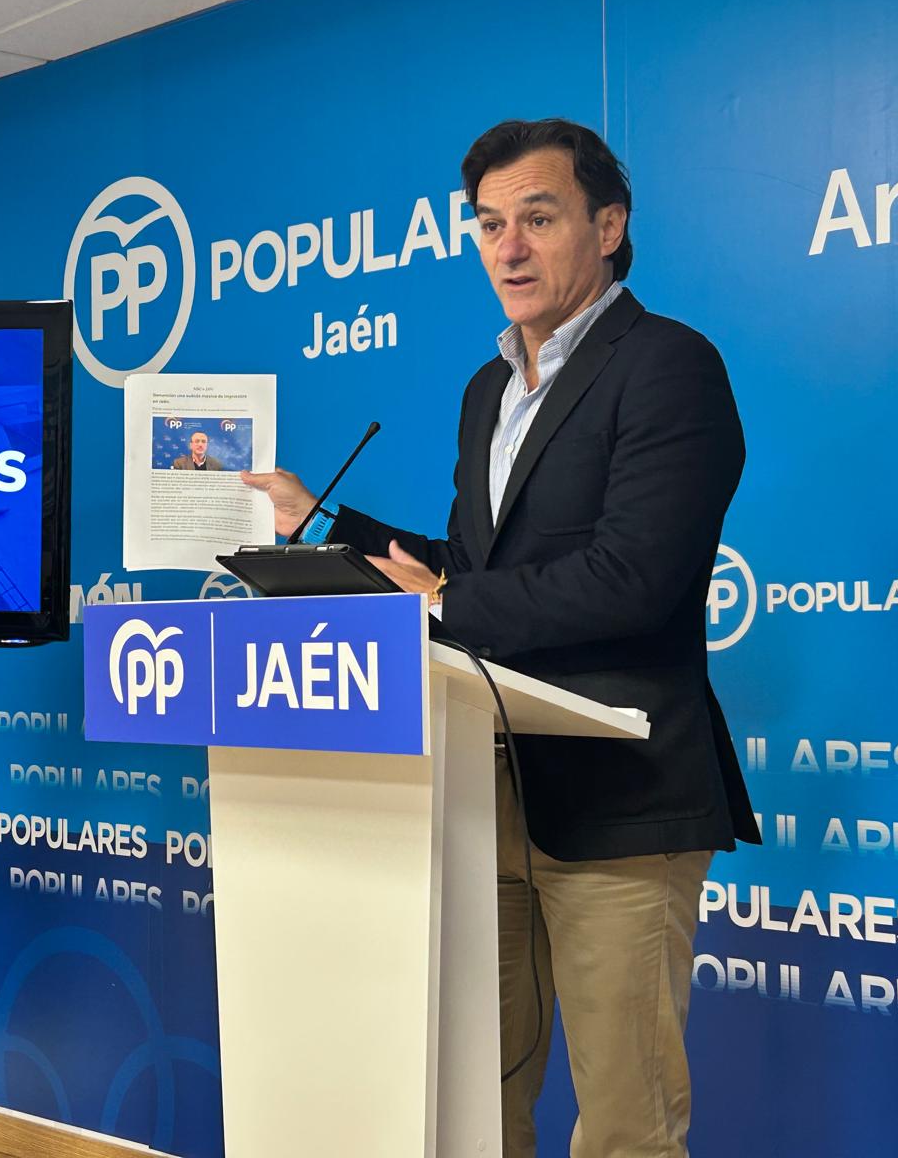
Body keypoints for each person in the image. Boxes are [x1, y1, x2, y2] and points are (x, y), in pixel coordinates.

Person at [242, 118, 759, 1158]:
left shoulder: (666, 365)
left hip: (622, 802)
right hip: (489, 786)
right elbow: (474, 567)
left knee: (623, 1121)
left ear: (607, 226)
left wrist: (440, 605)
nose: (507, 248)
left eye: (537, 218)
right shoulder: (490, 389)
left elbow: (636, 580)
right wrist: (325, 527)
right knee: (477, 1099)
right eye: (487, 225)